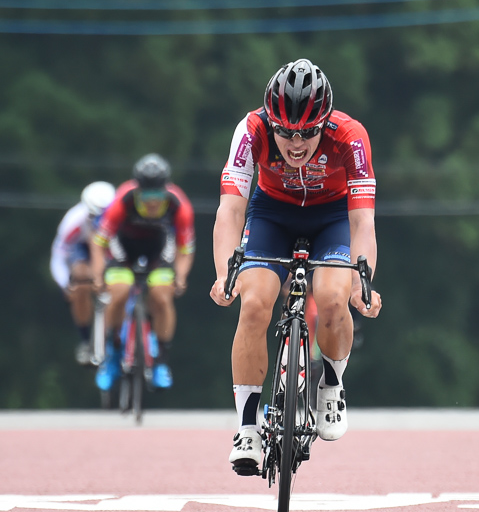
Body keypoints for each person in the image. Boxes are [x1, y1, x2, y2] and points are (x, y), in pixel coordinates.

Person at [210, 58, 382, 474]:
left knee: (332, 297)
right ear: (271, 121)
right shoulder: (250, 130)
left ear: (326, 122)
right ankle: (248, 427)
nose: (296, 142)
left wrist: (363, 280)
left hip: (332, 218)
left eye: (307, 131)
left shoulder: (352, 136)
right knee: (253, 304)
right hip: (272, 215)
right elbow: (230, 211)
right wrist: (223, 273)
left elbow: (362, 220)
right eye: (285, 131)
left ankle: (332, 385)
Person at [90, 155, 195, 390]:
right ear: (138, 192)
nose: (152, 203)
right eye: (147, 196)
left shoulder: (180, 206)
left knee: (161, 296)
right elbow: (99, 242)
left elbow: (185, 249)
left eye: (157, 196)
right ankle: (113, 354)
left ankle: (161, 362)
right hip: (123, 249)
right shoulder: (123, 200)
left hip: (160, 251)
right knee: (118, 293)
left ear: (165, 191)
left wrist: (181, 277)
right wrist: (98, 275)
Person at [50, 181, 116, 364]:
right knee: (80, 281)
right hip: (81, 249)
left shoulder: (120, 218)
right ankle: (86, 340)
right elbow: (58, 258)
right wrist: (66, 285)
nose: (99, 222)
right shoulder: (73, 221)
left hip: (109, 248)